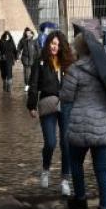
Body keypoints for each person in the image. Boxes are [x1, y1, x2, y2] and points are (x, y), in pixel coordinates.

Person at [62, 31, 106, 209]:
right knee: (102, 169)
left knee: (76, 164)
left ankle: (80, 201)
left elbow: (66, 97)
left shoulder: (75, 70)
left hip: (81, 125)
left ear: (78, 49)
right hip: (104, 125)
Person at [28, 30, 74, 197]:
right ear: (48, 44)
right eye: (52, 44)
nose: (55, 47)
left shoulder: (68, 63)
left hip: (66, 105)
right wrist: (31, 105)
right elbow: (33, 84)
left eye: (58, 44)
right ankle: (46, 170)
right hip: (48, 104)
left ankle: (64, 180)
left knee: (66, 143)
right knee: (51, 142)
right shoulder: (40, 62)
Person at [17, 27, 39, 92]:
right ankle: (27, 85)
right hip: (25, 59)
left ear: (31, 33)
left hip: (34, 59)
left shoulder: (34, 40)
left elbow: (38, 50)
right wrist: (17, 56)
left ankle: (33, 85)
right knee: (27, 74)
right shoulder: (22, 40)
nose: (28, 33)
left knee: (34, 73)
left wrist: (39, 58)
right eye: (27, 32)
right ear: (25, 33)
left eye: (29, 32)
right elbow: (19, 48)